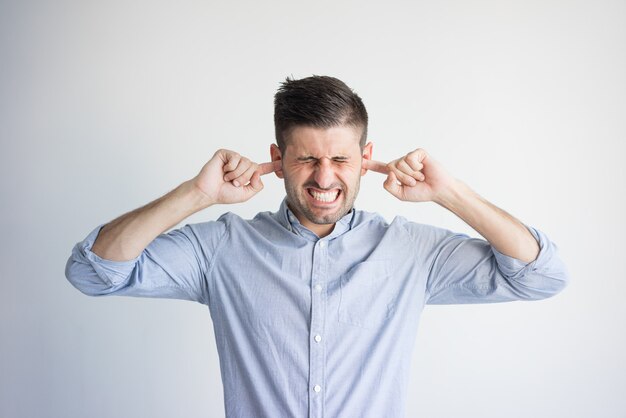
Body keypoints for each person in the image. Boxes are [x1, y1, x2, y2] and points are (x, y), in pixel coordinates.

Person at [65, 75, 569, 418]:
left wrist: (449, 193)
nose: (324, 177)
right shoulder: (223, 247)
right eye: (306, 158)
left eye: (342, 160)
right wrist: (196, 194)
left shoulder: (410, 250)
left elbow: (540, 276)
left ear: (367, 157)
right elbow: (93, 272)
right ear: (277, 158)